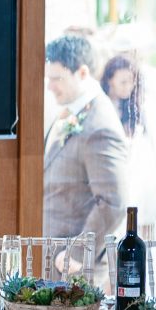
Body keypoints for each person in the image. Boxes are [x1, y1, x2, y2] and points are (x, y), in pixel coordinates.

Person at [42, 34, 129, 254]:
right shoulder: (70, 111)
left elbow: (113, 202)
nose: (50, 86)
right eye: (48, 78)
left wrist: (78, 254)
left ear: (82, 73)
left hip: (75, 271)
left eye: (57, 79)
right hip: (53, 259)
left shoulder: (99, 125)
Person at [102, 51, 156, 232]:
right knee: (118, 229)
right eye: (122, 82)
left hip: (143, 175)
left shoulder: (142, 106)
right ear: (110, 80)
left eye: (131, 81)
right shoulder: (103, 106)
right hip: (114, 178)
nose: (128, 87)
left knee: (146, 225)